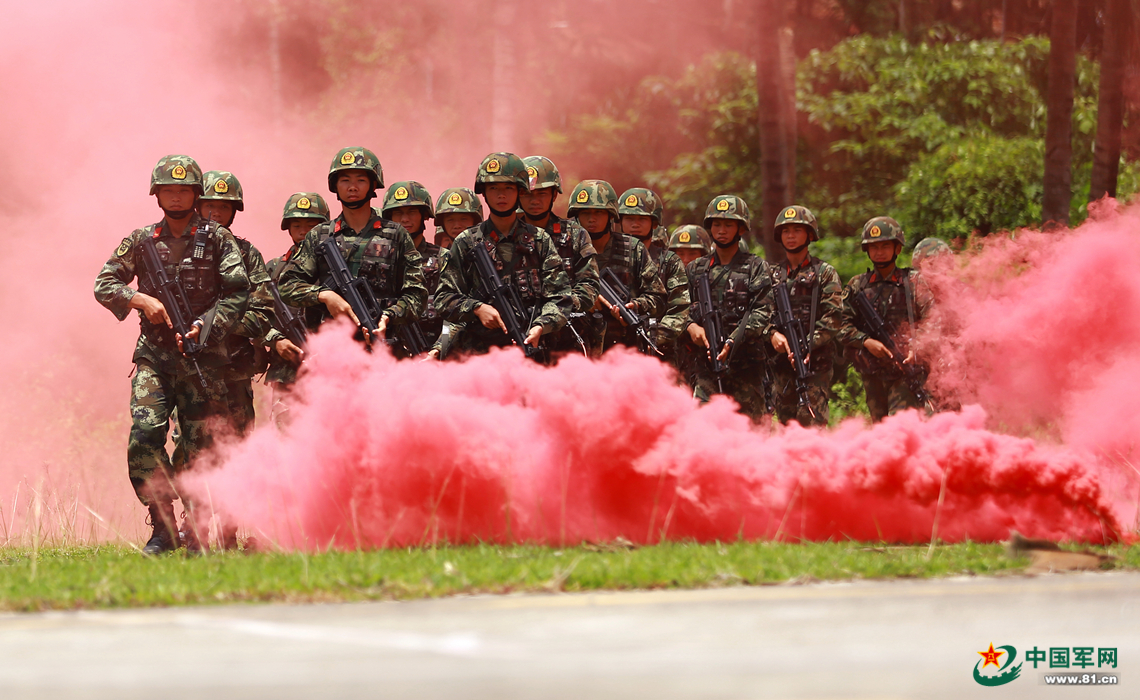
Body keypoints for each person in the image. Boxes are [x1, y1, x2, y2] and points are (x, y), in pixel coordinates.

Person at [93, 155, 250, 555]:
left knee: (198, 448)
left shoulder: (217, 238)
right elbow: (105, 282)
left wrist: (207, 326)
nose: (176, 196)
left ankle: (196, 528)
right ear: (157, 194)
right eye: (168, 189)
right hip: (155, 356)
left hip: (204, 358)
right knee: (145, 434)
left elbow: (238, 291)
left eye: (183, 189)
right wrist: (139, 299)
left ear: (195, 194)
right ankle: (162, 525)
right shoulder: (142, 240)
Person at [278, 147, 426, 351]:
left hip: (386, 346)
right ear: (335, 186)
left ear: (373, 185)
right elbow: (287, 285)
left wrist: (389, 317)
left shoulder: (396, 235)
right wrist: (325, 296)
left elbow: (416, 295)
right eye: (345, 180)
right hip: (333, 351)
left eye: (361, 180)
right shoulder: (320, 235)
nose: (353, 187)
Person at [434, 153, 572, 358]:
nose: (501, 195)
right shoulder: (466, 241)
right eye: (494, 188)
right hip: (480, 357)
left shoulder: (539, 239)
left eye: (508, 188)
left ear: (520, 191)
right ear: (484, 193)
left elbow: (561, 296)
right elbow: (444, 298)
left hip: (534, 350)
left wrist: (541, 326)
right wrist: (477, 308)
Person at [682, 195, 772, 420]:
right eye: (717, 224)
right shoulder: (695, 269)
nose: (721, 230)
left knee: (751, 432)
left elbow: (764, 310)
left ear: (741, 228)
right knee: (703, 428)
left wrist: (734, 339)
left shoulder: (756, 267)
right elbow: (676, 306)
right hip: (706, 366)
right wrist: (691, 326)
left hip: (746, 366)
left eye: (728, 224)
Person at [838, 217, 934, 421]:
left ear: (897, 249)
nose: (879, 252)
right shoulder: (858, 285)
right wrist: (866, 341)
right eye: (874, 247)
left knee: (901, 426)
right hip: (873, 372)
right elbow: (839, 324)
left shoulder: (913, 282)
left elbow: (933, 318)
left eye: (885, 246)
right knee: (880, 427)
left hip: (905, 370)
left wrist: (917, 344)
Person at [763, 205, 843, 427]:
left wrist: (807, 344)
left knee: (811, 421)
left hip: (814, 363)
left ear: (809, 234)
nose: (790, 236)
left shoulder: (824, 273)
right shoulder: (772, 274)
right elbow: (761, 313)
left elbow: (834, 317)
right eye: (786, 231)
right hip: (781, 363)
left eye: (797, 230)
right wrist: (772, 335)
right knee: (787, 423)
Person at [566, 180, 664, 356]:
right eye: (585, 213)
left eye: (598, 212)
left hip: (623, 350)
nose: (591, 219)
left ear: (611, 215)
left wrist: (635, 306)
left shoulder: (633, 249)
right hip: (574, 350)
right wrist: (581, 299)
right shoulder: (564, 250)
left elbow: (658, 298)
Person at [519, 156, 599, 356]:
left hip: (567, 337)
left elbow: (590, 284)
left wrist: (561, 305)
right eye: (528, 194)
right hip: (518, 330)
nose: (535, 200)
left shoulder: (575, 234)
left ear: (554, 195)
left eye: (542, 193)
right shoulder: (506, 236)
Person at [263, 192, 329, 410]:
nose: (303, 232)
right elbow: (255, 313)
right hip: (287, 375)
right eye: (297, 224)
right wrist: (276, 340)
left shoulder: (336, 269)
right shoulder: (274, 268)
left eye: (312, 225)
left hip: (331, 373)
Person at [618, 187, 689, 359]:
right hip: (616, 350)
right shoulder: (612, 258)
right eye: (629, 219)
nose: (635, 224)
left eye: (642, 219)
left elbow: (679, 309)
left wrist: (654, 337)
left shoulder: (669, 261)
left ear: (654, 223)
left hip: (659, 352)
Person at [381, 181, 445, 347]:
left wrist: (440, 350)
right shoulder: (379, 259)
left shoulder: (443, 258)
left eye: (411, 212)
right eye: (398, 213)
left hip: (433, 353)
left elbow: (456, 317)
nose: (405, 219)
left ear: (424, 215)